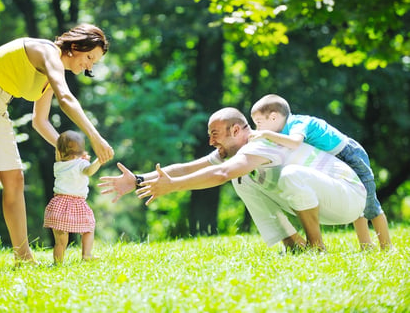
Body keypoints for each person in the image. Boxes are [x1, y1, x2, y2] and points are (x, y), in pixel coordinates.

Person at [0, 24, 114, 267]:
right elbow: (66, 98)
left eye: (95, 62)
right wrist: (94, 136)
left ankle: (23, 257)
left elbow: (39, 121)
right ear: (75, 47)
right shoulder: (47, 52)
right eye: (90, 57)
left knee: (15, 180)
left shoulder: (52, 75)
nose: (90, 66)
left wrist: (69, 153)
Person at [99, 107, 366, 252]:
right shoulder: (236, 149)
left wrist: (172, 187)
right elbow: (191, 166)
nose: (211, 141)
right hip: (321, 201)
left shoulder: (260, 142)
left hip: (349, 196)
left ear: (236, 130)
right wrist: (137, 179)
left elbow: (222, 173)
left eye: (215, 134)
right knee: (243, 180)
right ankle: (294, 245)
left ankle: (316, 247)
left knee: (280, 175)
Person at [249, 94, 392, 251]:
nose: (258, 129)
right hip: (334, 161)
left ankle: (387, 247)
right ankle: (366, 246)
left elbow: (295, 143)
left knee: (370, 203)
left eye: (259, 123)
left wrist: (266, 134)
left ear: (274, 117)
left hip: (350, 155)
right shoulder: (282, 131)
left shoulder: (296, 122)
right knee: (358, 207)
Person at [44, 130, 101, 264]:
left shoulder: (58, 165)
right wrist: (99, 160)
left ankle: (57, 263)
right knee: (88, 228)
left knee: (60, 241)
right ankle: (86, 254)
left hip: (58, 205)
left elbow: (60, 154)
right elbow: (89, 171)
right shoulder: (82, 164)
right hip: (76, 203)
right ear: (81, 150)